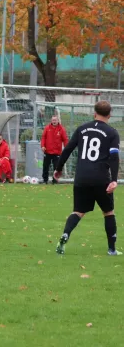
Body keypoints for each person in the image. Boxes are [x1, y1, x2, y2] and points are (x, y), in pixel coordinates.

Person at [54, 101, 121, 256]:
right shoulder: (112, 133)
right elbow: (114, 157)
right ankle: (111, 249)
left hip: (82, 177)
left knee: (78, 211)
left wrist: (58, 169)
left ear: (94, 113)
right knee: (108, 212)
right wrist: (114, 180)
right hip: (101, 178)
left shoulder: (82, 129)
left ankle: (65, 235)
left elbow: (68, 149)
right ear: (110, 115)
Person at [41, 115, 68, 184]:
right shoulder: (47, 128)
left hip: (57, 152)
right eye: (53, 120)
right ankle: (45, 180)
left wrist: (66, 148)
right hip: (47, 151)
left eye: (55, 120)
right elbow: (43, 137)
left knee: (56, 168)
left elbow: (65, 139)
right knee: (45, 166)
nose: (54, 121)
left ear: (58, 121)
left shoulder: (61, 129)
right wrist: (42, 146)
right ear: (51, 121)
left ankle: (55, 180)